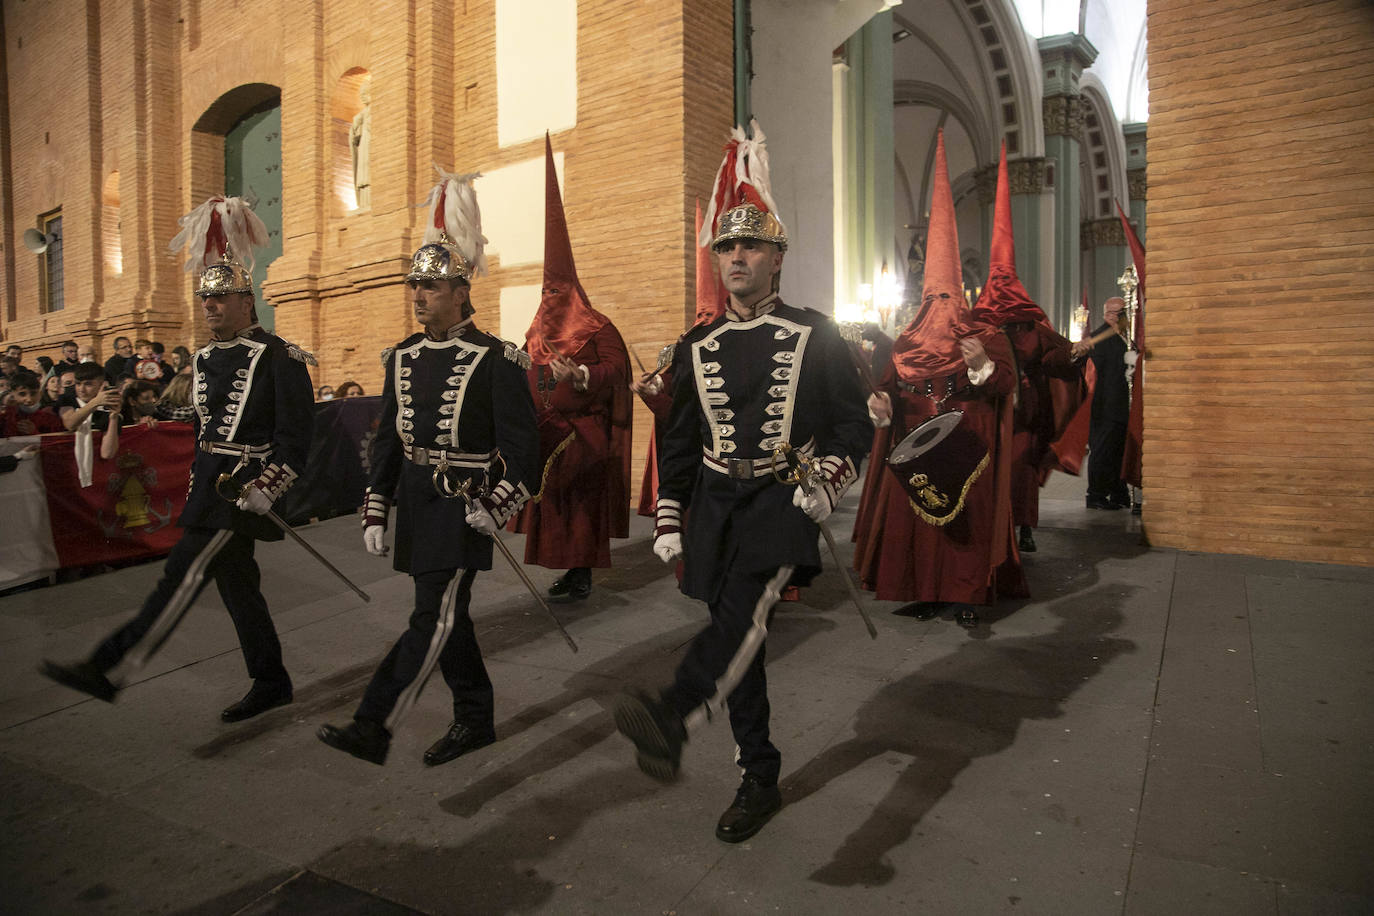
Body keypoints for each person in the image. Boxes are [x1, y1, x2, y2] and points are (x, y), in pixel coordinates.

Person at [614, 123, 871, 843]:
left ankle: (673, 713)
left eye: (750, 246)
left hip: (782, 499)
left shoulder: (817, 334)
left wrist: (829, 480)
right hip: (715, 504)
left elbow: (853, 425)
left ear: (777, 258)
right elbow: (679, 440)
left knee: (741, 617)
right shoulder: (696, 345)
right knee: (741, 640)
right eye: (725, 248)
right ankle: (759, 773)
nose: (735, 258)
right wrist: (669, 515)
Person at [40, 196, 314, 722]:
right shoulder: (204, 358)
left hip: (242, 493)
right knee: (240, 591)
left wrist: (269, 486)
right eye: (204, 298)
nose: (208, 306)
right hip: (206, 486)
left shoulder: (280, 358)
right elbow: (206, 422)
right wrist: (156, 419)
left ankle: (108, 666)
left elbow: (296, 439)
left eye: (220, 298)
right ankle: (272, 681)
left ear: (247, 301)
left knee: (181, 577)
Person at [318, 169, 539, 767]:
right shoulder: (402, 357)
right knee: (448, 618)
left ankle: (374, 723)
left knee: (431, 616)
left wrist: (498, 504)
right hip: (418, 501)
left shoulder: (497, 360)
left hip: (465, 505)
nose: (418, 295)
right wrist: (376, 505)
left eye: (431, 286)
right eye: (414, 285)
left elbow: (526, 451)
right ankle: (476, 718)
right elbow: (388, 439)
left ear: (461, 292)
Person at [854, 130, 1024, 631]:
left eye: (947, 297)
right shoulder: (906, 340)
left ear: (962, 295)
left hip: (968, 437)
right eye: (932, 297)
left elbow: (1005, 386)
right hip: (913, 435)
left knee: (966, 516)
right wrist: (881, 408)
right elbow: (887, 387)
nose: (939, 305)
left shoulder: (986, 334)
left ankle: (966, 592)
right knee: (917, 519)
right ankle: (924, 590)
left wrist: (980, 365)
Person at [512, 136, 632, 603]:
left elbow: (617, 370)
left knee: (580, 510)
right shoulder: (535, 331)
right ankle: (560, 565)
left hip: (584, 435)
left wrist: (580, 377)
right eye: (546, 293)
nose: (551, 301)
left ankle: (580, 571)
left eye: (558, 293)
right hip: (546, 434)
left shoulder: (598, 327)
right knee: (552, 507)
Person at [975, 143, 1081, 554]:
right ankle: (992, 524)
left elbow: (1056, 359)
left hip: (1024, 415)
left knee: (1019, 470)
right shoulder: (980, 329)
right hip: (986, 412)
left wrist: (1074, 354)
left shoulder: (1034, 330)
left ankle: (1023, 527)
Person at [1074, 297, 1131, 510]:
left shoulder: (1123, 336)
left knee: (1117, 451)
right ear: (1108, 314)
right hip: (1104, 405)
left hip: (1119, 404)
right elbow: (1092, 375)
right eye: (1119, 312)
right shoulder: (1100, 338)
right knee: (1103, 450)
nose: (1123, 316)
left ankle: (1118, 492)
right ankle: (1096, 494)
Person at [55, 362, 122, 463]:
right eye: (78, 384)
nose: (81, 389)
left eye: (88, 384)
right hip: (64, 461)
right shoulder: (67, 398)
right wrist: (95, 402)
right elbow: (70, 424)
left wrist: (114, 417)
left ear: (102, 385)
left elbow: (107, 453)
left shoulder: (108, 407)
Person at [0, 370, 66, 436]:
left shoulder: (48, 417)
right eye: (22, 394)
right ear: (12, 394)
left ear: (39, 393)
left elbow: (58, 438)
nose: (29, 399)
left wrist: (34, 432)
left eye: (33, 393)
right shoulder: (4, 417)